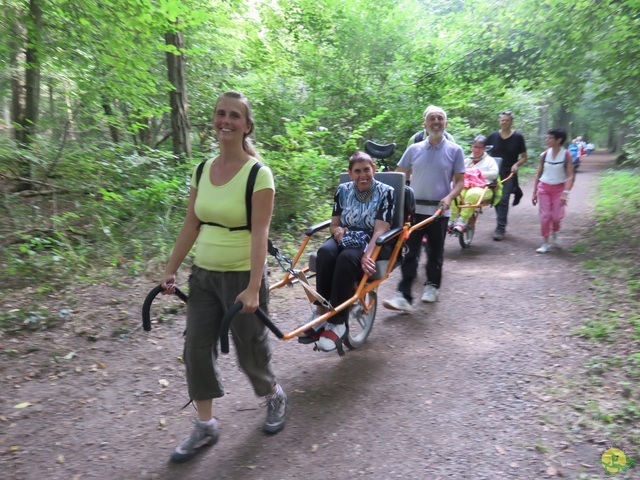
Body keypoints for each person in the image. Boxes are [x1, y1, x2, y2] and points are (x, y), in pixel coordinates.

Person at [160, 91, 287, 463]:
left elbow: (260, 232)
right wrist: (171, 269)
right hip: (203, 277)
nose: (225, 121)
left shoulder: (258, 174)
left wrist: (252, 287)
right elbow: (191, 222)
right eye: (220, 114)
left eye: (234, 116)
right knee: (196, 349)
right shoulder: (202, 169)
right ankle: (205, 426)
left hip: (241, 278)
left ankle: (274, 395)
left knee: (251, 351)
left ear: (247, 126)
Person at [303, 151, 395, 352]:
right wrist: (337, 231)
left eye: (366, 170)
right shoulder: (342, 190)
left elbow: (381, 228)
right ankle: (321, 313)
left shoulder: (386, 192)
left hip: (373, 239)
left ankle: (337, 322)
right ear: (350, 173)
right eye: (357, 171)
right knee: (324, 253)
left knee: (346, 259)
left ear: (374, 170)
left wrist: (367, 255)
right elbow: (334, 224)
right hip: (346, 235)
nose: (363, 175)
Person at [382, 105, 465, 311]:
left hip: (439, 211)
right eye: (432, 119)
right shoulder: (413, 149)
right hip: (414, 211)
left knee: (435, 252)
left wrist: (449, 197)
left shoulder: (455, 150)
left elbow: (460, 181)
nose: (436, 122)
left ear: (446, 124)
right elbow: (400, 177)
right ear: (425, 124)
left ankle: (432, 285)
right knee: (409, 252)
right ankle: (403, 296)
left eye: (440, 119)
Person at [532, 128, 575, 253]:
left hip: (559, 188)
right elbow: (538, 174)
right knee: (545, 216)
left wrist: (565, 193)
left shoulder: (567, 155)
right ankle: (545, 243)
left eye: (550, 138)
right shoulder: (544, 155)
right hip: (544, 187)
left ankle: (555, 233)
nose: (547, 140)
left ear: (559, 140)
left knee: (556, 217)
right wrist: (534, 191)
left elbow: (570, 175)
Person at [486, 111, 527, 240]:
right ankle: (501, 222)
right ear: (500, 121)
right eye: (503, 120)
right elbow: (484, 153)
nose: (504, 122)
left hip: (509, 172)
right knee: (496, 199)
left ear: (511, 122)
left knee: (504, 199)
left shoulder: (518, 137)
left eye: (507, 120)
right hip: (494, 171)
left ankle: (500, 228)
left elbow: (524, 157)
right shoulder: (492, 136)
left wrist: (516, 165)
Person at [449, 135, 499, 233]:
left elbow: (494, 173)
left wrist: (477, 174)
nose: (476, 150)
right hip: (466, 186)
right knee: (456, 194)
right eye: (474, 147)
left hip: (484, 188)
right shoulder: (468, 160)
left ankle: (461, 221)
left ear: (484, 149)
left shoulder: (490, 161)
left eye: (479, 148)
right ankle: (450, 220)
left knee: (472, 194)